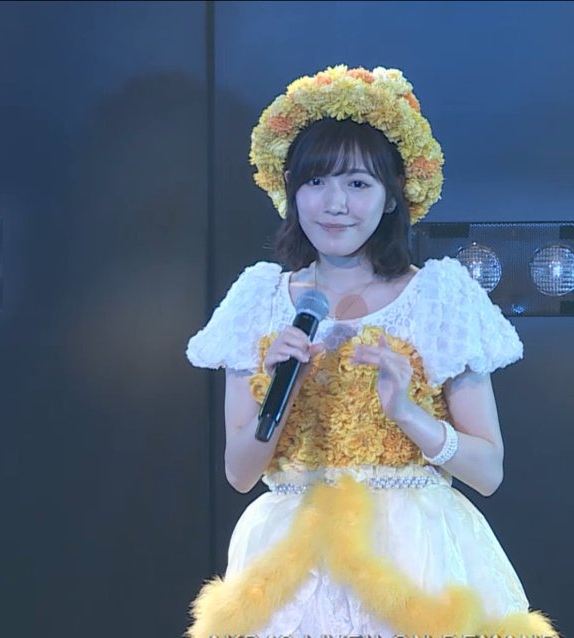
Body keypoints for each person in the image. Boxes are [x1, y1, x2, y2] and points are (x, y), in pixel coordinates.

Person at [184, 65, 557, 636]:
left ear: (390, 198)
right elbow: (239, 473)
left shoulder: (439, 296)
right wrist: (281, 391)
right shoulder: (257, 300)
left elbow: (488, 472)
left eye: (357, 184)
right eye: (316, 182)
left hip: (415, 557)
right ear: (291, 190)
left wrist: (408, 414)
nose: (334, 204)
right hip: (291, 563)